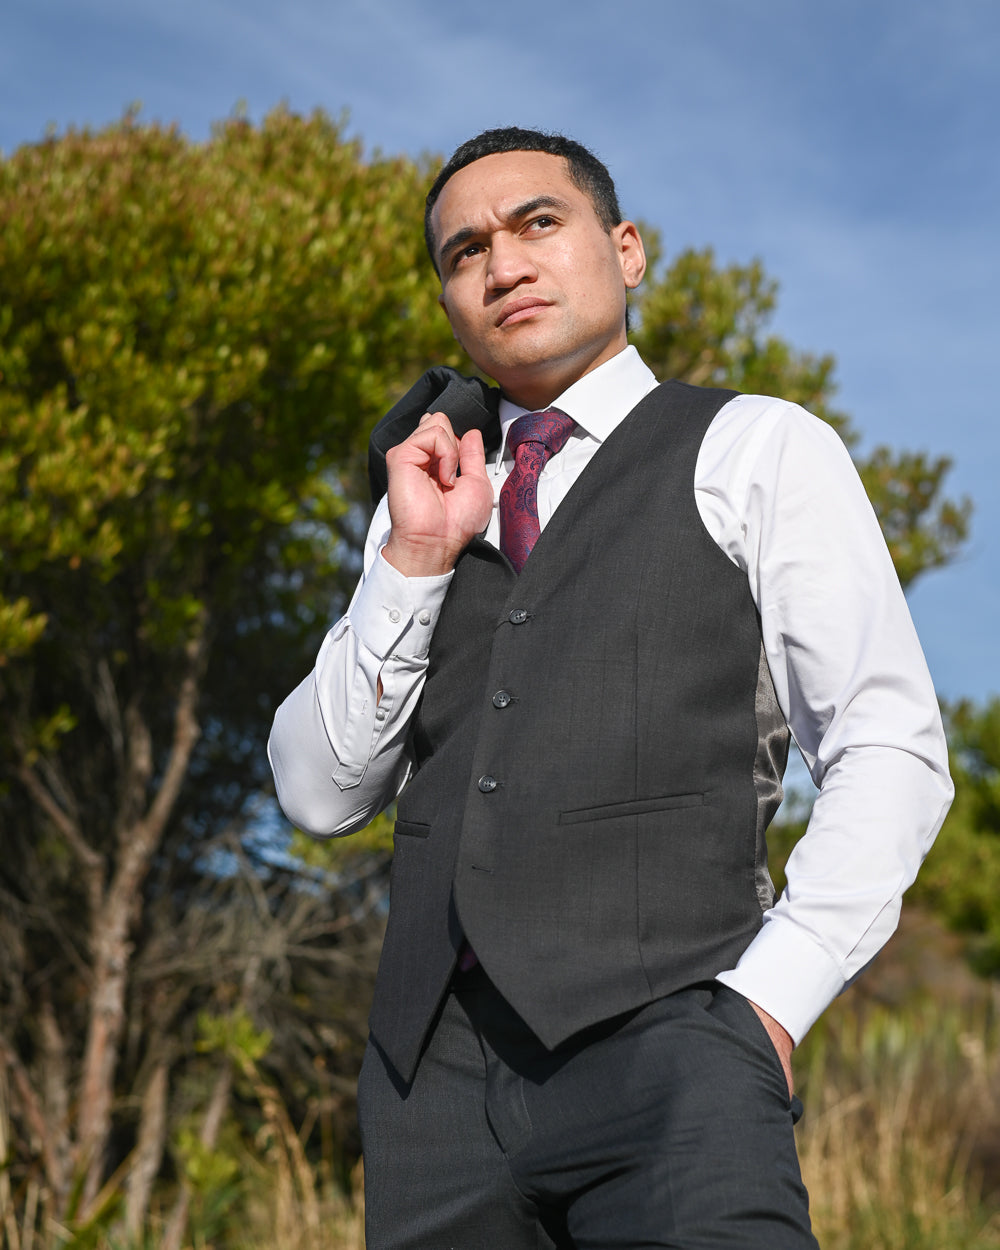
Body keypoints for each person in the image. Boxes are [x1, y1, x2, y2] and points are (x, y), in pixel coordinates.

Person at [268, 127, 953, 1249]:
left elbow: (887, 743)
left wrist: (762, 1009)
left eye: (538, 222)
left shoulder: (754, 447)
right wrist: (411, 562)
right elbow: (316, 791)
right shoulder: (423, 504)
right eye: (464, 251)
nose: (503, 263)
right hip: (429, 1097)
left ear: (625, 250)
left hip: (676, 1049)